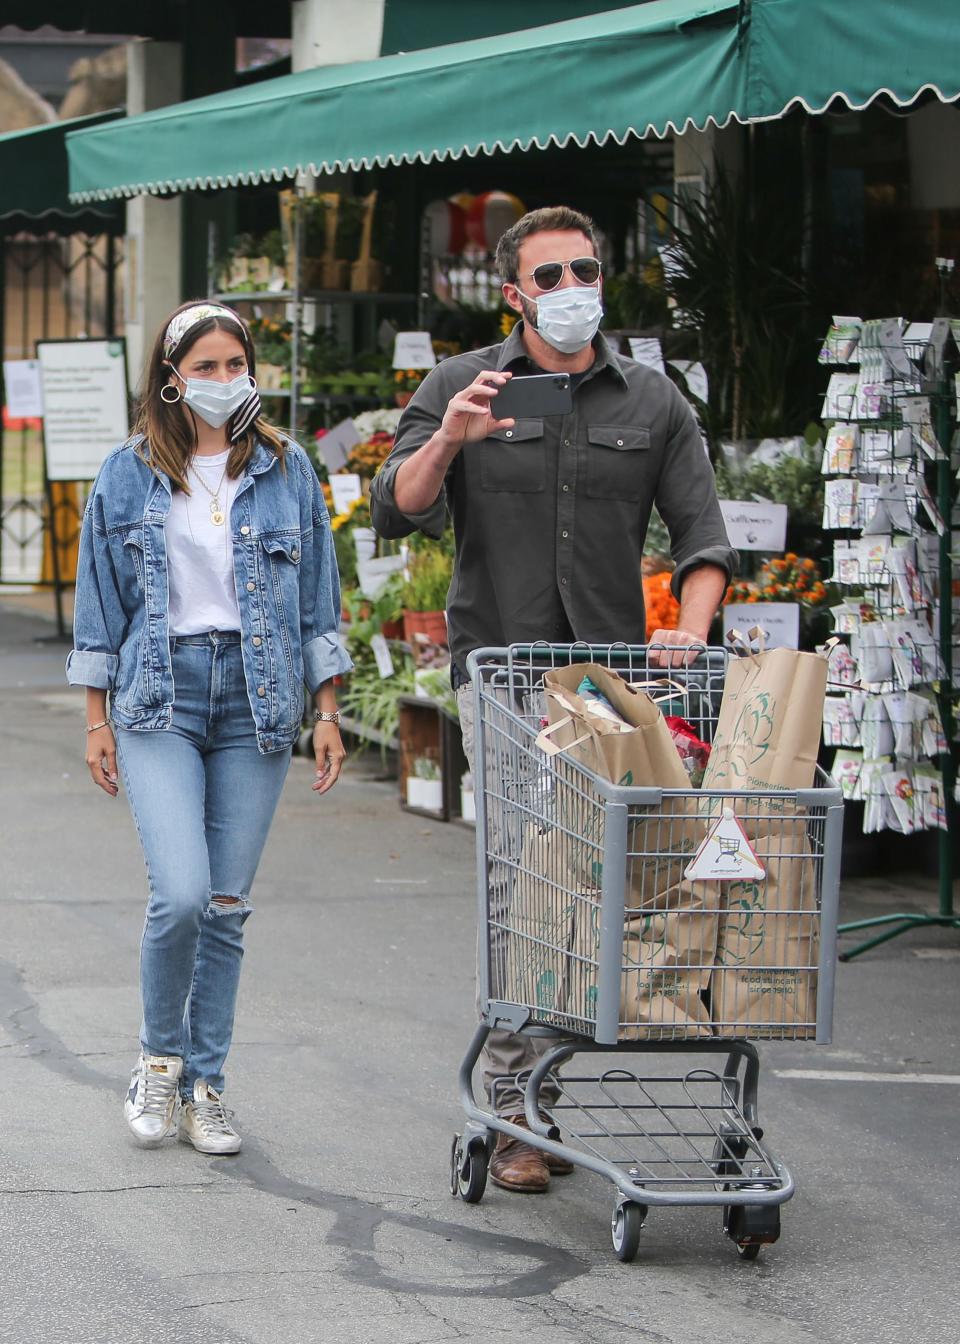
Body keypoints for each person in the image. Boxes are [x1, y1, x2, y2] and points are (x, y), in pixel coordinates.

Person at [371, 206, 736, 1193]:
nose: (574, 286)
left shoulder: (651, 403)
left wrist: (688, 632)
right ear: (515, 292)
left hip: (608, 691)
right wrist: (450, 437)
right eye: (552, 273)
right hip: (505, 677)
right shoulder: (462, 386)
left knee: (603, 884)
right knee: (519, 888)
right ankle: (519, 1106)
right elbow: (397, 507)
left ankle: (544, 1083)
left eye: (587, 267)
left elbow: (704, 541)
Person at [68, 300, 352, 1154]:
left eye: (238, 365)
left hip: (257, 701)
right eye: (209, 366)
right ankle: (158, 1063)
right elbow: (98, 603)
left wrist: (329, 709)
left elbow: (318, 598)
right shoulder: (125, 474)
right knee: (182, 894)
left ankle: (208, 1085)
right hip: (160, 694)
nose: (227, 381)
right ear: (171, 376)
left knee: (226, 906)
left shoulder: (285, 467)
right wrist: (95, 721)